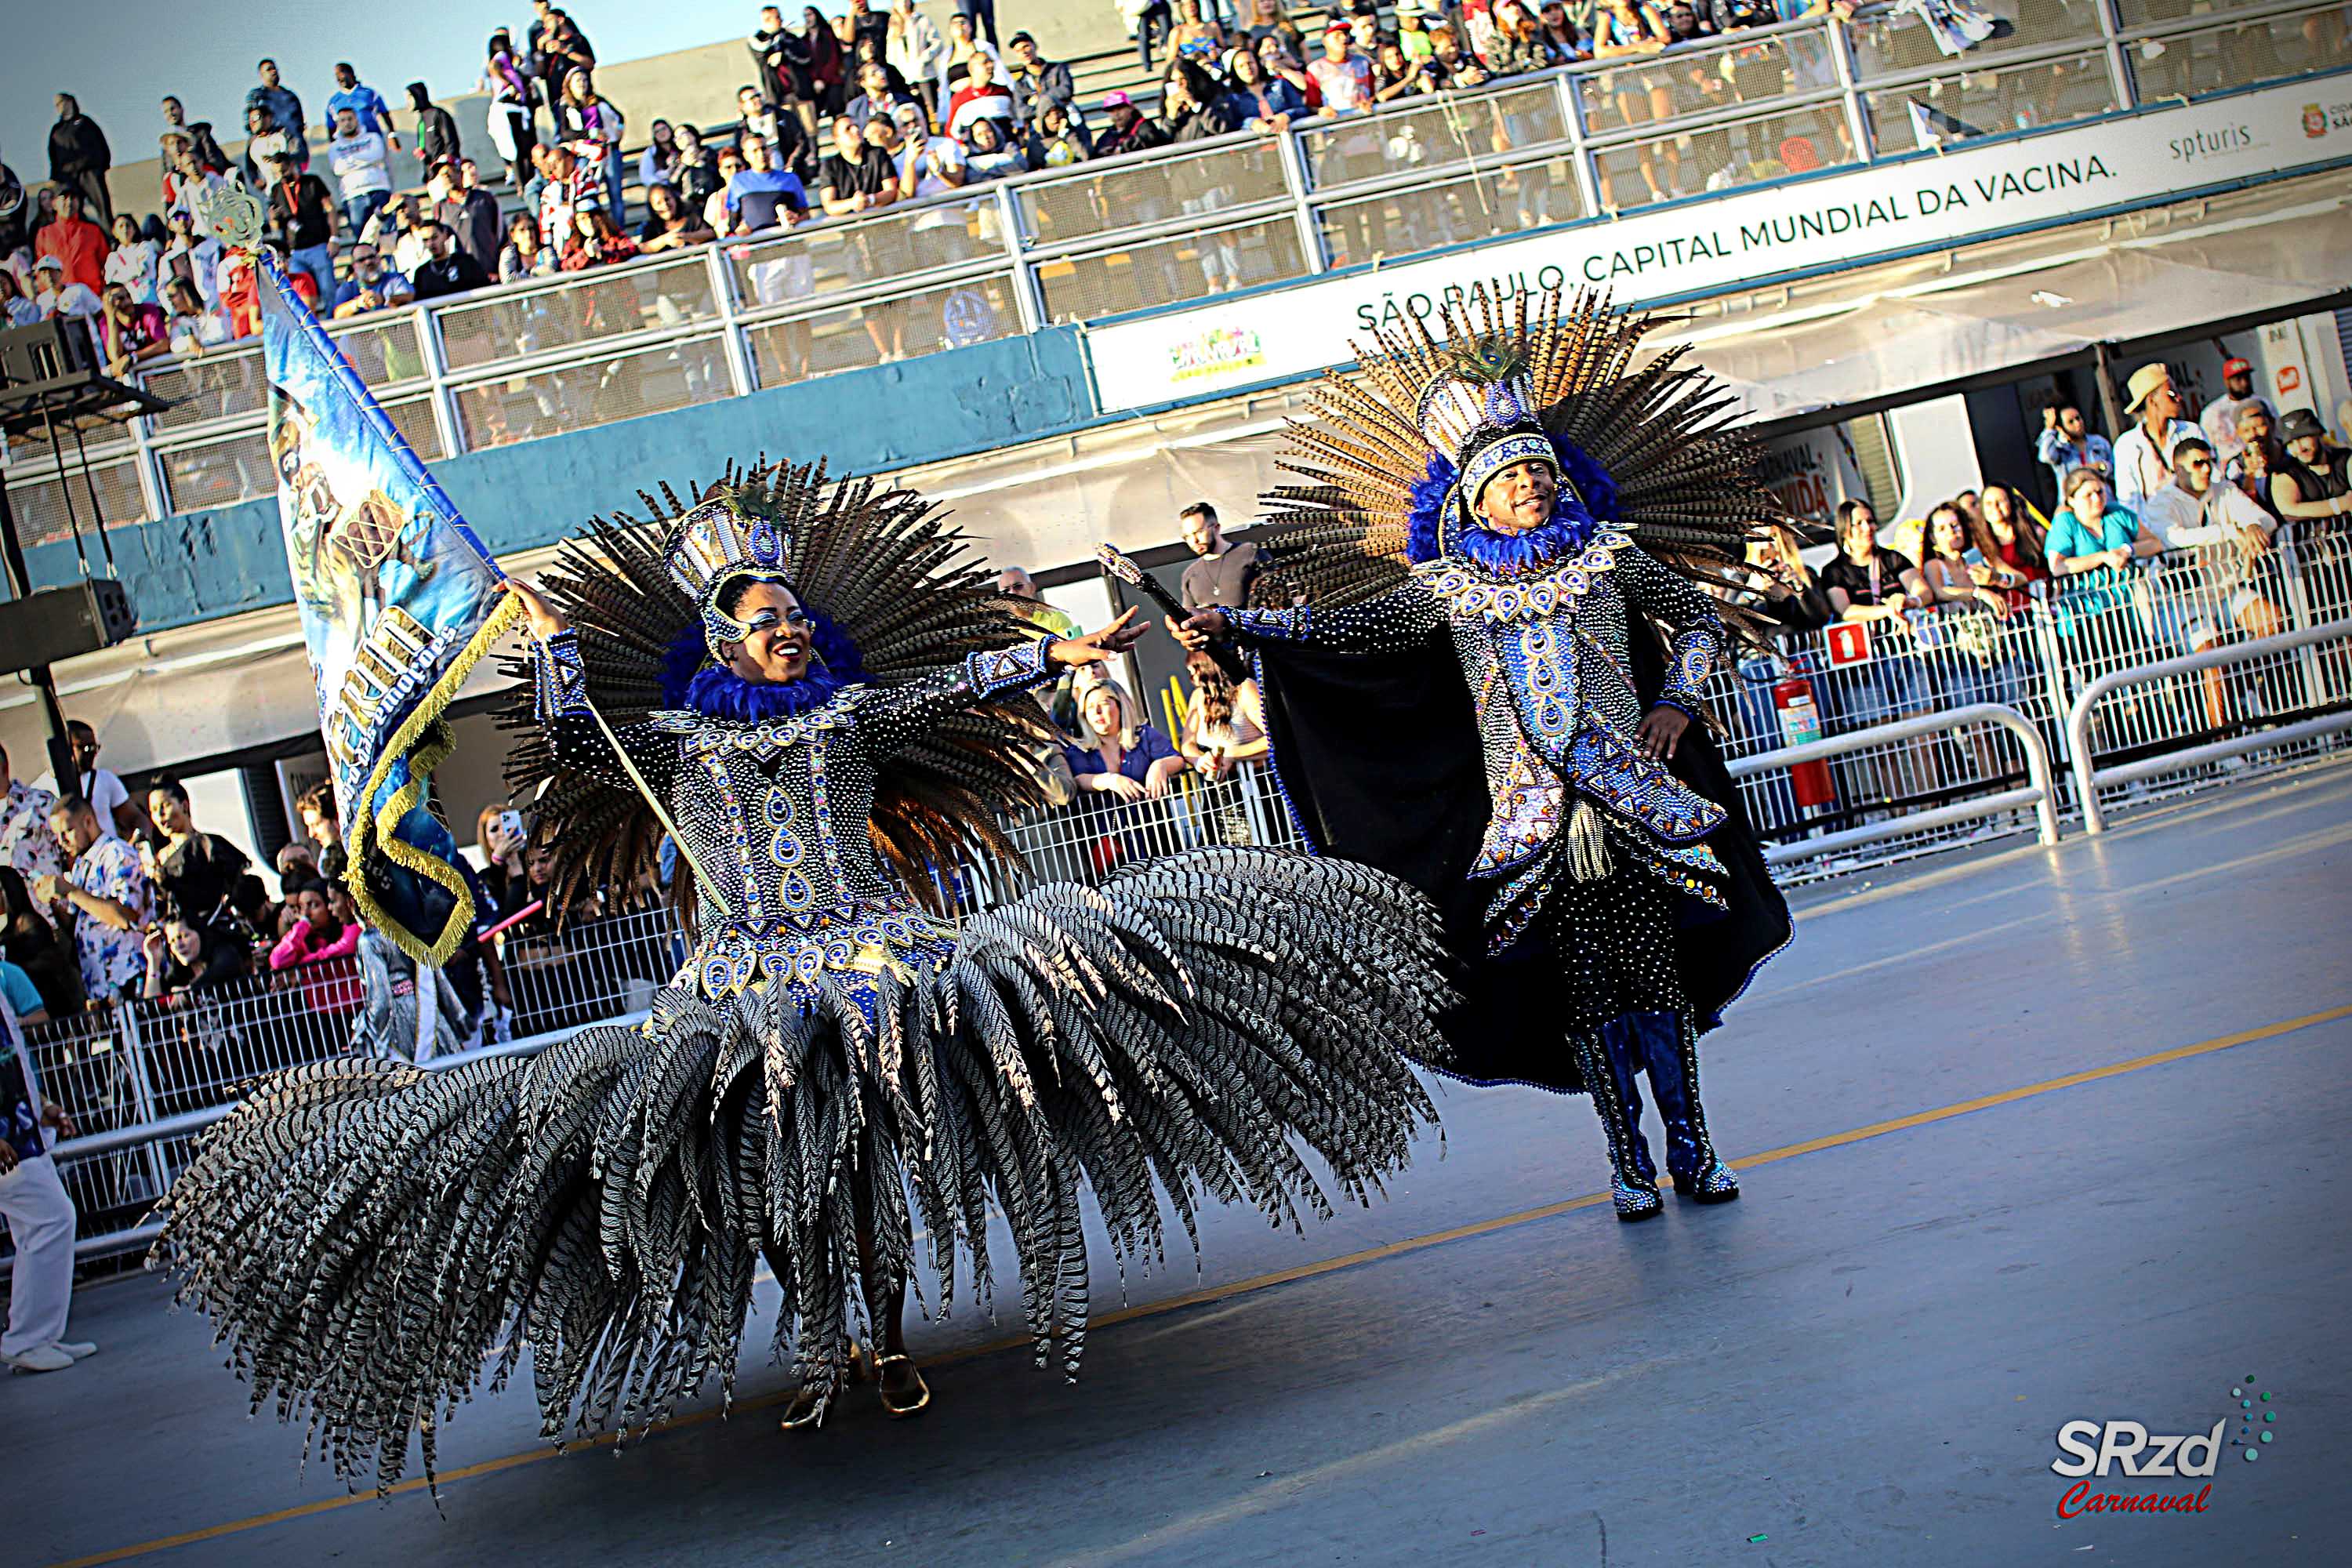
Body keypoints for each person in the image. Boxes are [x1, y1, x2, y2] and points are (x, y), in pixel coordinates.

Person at [156, 465, 1446, 1487]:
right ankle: (821, 1327)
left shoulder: (844, 713)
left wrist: (1049, 656)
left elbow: (942, 691)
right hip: (740, 978)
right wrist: (546, 658)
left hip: (878, 951)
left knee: (886, 1138)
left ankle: (879, 1334)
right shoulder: (669, 739)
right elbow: (570, 735)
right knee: (775, 1161)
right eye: (763, 623)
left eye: (791, 618)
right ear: (721, 643)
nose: (786, 632)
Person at [1173, 286, 1787, 1221]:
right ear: (1475, 497)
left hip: (1636, 807)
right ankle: (1627, 1159)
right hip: (1537, 825)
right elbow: (1349, 629)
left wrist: (1674, 703)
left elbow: (1698, 619)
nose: (1529, 486)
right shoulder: (1450, 590)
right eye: (1509, 478)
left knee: (1660, 984)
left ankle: (1693, 1146)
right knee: (1588, 1003)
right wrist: (1239, 625)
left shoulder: (1611, 558)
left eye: (1538, 471)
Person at [0, 964, 93, 1375]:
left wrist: (42, 1107)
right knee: (53, 1217)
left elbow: (9, 1059)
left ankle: (36, 1336)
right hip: (9, 1137)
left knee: (38, 1225)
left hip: (18, 1128)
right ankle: (27, 1338)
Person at [38, 794, 153, 1003]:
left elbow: (126, 915)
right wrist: (54, 899)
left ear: (88, 821)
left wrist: (72, 892)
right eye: (58, 835)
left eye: (68, 831)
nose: (62, 842)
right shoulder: (82, 865)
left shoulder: (117, 853)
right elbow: (76, 923)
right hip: (102, 990)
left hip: (131, 979)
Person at [145, 779, 255, 933]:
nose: (160, 814)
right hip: (181, 938)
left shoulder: (209, 845)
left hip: (216, 930)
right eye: (154, 810)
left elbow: (237, 884)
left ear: (184, 805)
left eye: (165, 805)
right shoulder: (158, 859)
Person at [34, 721, 147, 845]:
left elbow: (134, 817)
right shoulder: (39, 791)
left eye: (95, 747)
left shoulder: (104, 779)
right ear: (66, 749)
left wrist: (137, 840)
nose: (93, 754)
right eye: (87, 748)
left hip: (108, 859)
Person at [2112, 363, 2202, 515]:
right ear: (2152, 401)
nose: (2179, 398)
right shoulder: (2126, 445)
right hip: (2155, 528)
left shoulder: (2191, 432)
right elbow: (2129, 501)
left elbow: (2213, 476)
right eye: (2172, 394)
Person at [2045, 468, 2161, 579]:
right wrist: (2102, 557)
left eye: (2099, 492)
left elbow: (2155, 544)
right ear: (2072, 500)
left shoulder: (2117, 512)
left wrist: (2127, 550)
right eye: (2088, 495)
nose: (2097, 499)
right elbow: (2057, 567)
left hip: (2128, 592)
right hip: (2088, 596)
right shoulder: (2065, 522)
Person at [2266, 407, 2352, 537]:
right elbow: (2289, 508)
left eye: (2302, 438)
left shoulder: (2345, 458)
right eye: (2291, 443)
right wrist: (2341, 504)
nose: (2299, 448)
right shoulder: (2285, 472)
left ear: (2318, 433)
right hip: (2316, 551)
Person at [264, 154, 338, 306]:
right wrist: (273, 218)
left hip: (318, 245)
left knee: (328, 291)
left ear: (292, 165)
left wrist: (334, 238)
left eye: (283, 170)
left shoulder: (311, 181)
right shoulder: (276, 190)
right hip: (294, 251)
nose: (281, 175)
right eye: (277, 173)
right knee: (300, 296)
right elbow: (276, 227)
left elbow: (330, 208)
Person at [1968, 483, 2048, 615]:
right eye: (1988, 503)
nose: (1995, 507)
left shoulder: (2036, 533)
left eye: (2000, 501)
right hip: (2014, 613)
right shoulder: (1979, 545)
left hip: (2044, 603)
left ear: (2011, 502)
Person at [326, 107, 395, 239]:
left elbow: (377, 155)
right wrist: (365, 159)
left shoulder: (373, 137)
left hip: (379, 191)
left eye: (350, 119)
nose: (347, 123)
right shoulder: (334, 147)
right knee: (363, 241)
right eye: (343, 120)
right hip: (353, 197)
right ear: (338, 124)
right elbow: (338, 168)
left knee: (389, 236)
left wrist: (350, 161)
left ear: (357, 119)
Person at [1176, 500, 1258, 609]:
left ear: (1216, 528)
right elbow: (1189, 617)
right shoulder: (1190, 574)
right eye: (1188, 536)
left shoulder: (1250, 553)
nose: (1194, 540)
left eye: (1199, 532)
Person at [724, 132, 811, 235]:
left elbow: (806, 214)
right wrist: (740, 229)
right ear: (746, 156)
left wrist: (796, 218)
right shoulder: (738, 181)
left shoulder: (790, 178)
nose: (761, 154)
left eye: (764, 148)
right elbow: (733, 222)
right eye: (755, 151)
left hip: (790, 240)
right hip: (756, 245)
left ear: (770, 150)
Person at [47, 94, 113, 229]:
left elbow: (101, 145)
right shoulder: (57, 130)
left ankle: (111, 240)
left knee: (102, 208)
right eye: (56, 105)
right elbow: (53, 156)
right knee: (75, 212)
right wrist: (55, 178)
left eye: (60, 103)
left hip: (90, 173)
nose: (58, 107)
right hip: (68, 178)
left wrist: (100, 168)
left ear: (70, 101)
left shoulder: (85, 122)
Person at [32, 186, 107, 297]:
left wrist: (104, 291)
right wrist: (47, 296)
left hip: (92, 296)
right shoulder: (44, 234)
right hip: (61, 298)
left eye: (73, 198)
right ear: (54, 204)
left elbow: (106, 264)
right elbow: (41, 271)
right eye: (64, 198)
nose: (69, 202)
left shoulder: (93, 230)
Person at [2200, 357, 2271, 464]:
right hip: (2230, 469)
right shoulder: (2212, 412)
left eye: (2247, 378)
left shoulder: (2263, 404)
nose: (2244, 383)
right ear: (2227, 382)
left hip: (2264, 460)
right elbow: (2206, 447)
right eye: (2238, 379)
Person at [1004, 32, 1076, 129]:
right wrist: (1046, 108)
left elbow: (1066, 91)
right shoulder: (1020, 84)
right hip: (1041, 128)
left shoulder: (1057, 69)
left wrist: (1039, 99)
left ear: (1035, 46)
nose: (1024, 53)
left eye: (1026, 47)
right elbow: (1022, 112)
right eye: (1018, 51)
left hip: (1067, 120)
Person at [95, 283, 169, 377]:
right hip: (132, 379)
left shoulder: (148, 310)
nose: (128, 301)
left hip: (157, 372)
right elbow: (115, 356)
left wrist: (134, 357)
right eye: (120, 299)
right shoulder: (105, 322)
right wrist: (110, 316)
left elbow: (163, 345)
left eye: (128, 296)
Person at [411, 220, 491, 298]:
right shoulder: (421, 273)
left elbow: (484, 289)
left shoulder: (466, 262)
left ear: (444, 235)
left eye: (435, 237)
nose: (431, 243)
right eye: (426, 240)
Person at [326, 62, 400, 146]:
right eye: (336, 75)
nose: (339, 78)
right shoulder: (333, 102)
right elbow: (331, 127)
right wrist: (333, 146)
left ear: (351, 73)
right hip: (349, 147)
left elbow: (385, 114)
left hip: (372, 141)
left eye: (341, 73)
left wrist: (392, 135)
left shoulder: (369, 94)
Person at [101, 213, 159, 306]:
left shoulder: (145, 247)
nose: (125, 229)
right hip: (126, 303)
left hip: (149, 298)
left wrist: (120, 275)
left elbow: (141, 270)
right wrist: (134, 270)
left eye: (128, 225)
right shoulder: (113, 257)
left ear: (134, 229)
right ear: (114, 232)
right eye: (121, 226)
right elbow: (110, 282)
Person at [1094, 89, 1171, 156]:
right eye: (1111, 110)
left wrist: (1122, 148)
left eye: (1120, 108)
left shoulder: (1144, 125)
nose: (1116, 114)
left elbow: (1149, 139)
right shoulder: (1108, 134)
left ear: (1130, 108)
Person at [406, 83, 463, 173]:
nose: (407, 101)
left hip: (446, 172)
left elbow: (451, 142)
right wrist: (423, 156)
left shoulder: (438, 114)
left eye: (409, 97)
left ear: (418, 95)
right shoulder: (421, 122)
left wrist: (450, 164)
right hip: (432, 174)